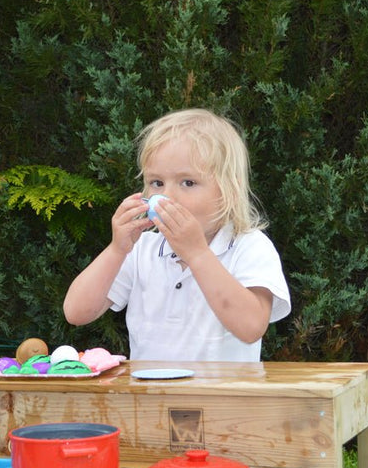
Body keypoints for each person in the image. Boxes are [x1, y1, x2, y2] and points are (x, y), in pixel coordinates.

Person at [63, 108, 291, 361]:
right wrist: (117, 250)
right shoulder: (142, 249)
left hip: (224, 399)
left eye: (188, 183)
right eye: (157, 183)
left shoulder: (249, 247)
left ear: (230, 191)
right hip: (150, 398)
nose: (167, 196)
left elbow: (251, 328)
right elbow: (76, 312)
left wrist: (197, 254)